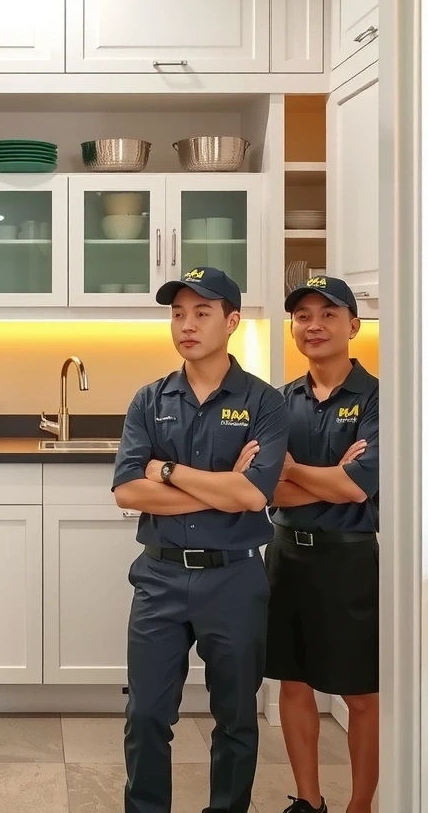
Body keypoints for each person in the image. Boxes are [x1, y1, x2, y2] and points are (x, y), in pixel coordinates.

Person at [113, 267, 288, 813]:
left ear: (232, 321)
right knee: (146, 714)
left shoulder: (265, 402)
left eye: (202, 313)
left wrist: (168, 472)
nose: (186, 325)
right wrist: (221, 488)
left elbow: (253, 495)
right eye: (178, 313)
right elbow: (127, 491)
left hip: (234, 578)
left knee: (235, 717)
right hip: (159, 577)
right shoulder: (149, 399)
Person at [266, 276, 380, 813]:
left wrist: (293, 470)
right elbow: (264, 487)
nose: (314, 325)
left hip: (349, 557)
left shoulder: (379, 397)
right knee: (293, 684)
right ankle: (308, 801)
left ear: (353, 326)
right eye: (303, 316)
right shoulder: (277, 402)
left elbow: (360, 486)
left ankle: (361, 805)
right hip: (286, 554)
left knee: (360, 692)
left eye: (328, 315)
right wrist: (331, 475)